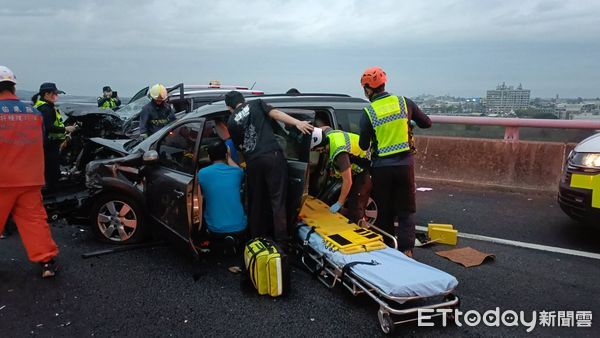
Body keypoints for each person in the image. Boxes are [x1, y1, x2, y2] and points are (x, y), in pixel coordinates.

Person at [358, 66, 431, 258]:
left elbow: (363, 144)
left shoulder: (369, 111)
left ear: (368, 89)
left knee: (385, 212)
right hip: (405, 166)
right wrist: (409, 122)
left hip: (382, 168)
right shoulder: (403, 102)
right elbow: (427, 122)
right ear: (383, 84)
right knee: (406, 211)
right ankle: (407, 251)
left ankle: (389, 250)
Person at [225, 91, 313, 243]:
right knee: (278, 201)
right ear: (243, 100)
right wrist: (297, 122)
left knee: (256, 202)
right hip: (271, 156)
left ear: (229, 108)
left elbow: (239, 147)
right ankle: (282, 241)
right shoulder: (256, 103)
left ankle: (255, 239)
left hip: (253, 162)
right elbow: (276, 114)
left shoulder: (231, 122)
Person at [0, 66, 59, 278]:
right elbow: (41, 141)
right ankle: (47, 263)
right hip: (30, 178)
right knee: (34, 221)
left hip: (3, 179)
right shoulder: (34, 113)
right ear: (13, 86)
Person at [311, 126, 372, 224]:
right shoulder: (329, 135)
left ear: (322, 145)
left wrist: (339, 203)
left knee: (355, 204)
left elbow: (348, 181)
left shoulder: (339, 153)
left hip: (368, 168)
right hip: (358, 167)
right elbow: (326, 127)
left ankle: (358, 226)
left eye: (319, 150)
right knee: (349, 199)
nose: (320, 152)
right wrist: (310, 130)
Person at [197, 140, 247, 252]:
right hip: (240, 228)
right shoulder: (237, 172)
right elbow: (239, 169)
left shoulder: (202, 173)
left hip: (215, 229)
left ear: (209, 157)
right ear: (226, 154)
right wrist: (228, 157)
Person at [32, 82, 76, 193]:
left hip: (42, 144)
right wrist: (66, 129)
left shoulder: (39, 106)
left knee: (47, 170)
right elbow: (48, 127)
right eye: (55, 94)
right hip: (49, 145)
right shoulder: (46, 109)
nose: (57, 96)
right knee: (53, 172)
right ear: (46, 94)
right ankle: (54, 195)